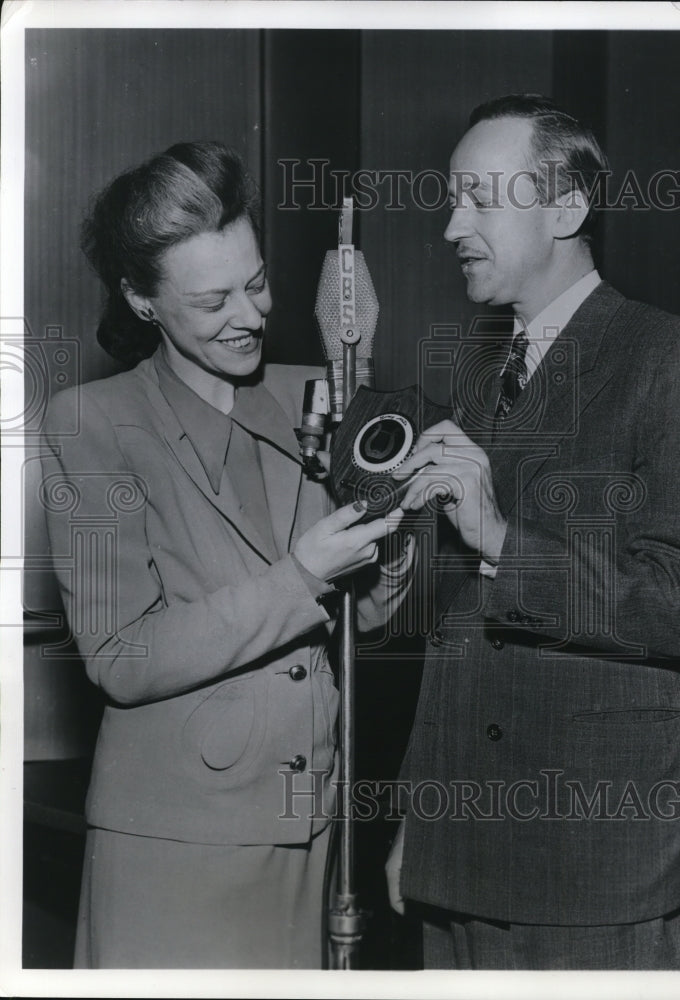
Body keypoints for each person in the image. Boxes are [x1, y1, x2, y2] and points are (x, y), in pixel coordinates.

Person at [385, 95, 680, 969]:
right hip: (458, 858)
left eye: (480, 198)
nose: (450, 226)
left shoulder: (676, 360)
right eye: (450, 198)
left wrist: (501, 540)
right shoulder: (482, 378)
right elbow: (454, 638)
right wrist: (416, 824)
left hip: (590, 872)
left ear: (566, 208)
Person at [40, 140, 411, 968]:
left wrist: (397, 529)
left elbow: (371, 621)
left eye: (255, 283)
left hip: (313, 825)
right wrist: (302, 574)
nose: (247, 315)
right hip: (175, 841)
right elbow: (120, 655)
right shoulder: (90, 423)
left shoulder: (312, 393)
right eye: (211, 301)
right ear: (141, 298)